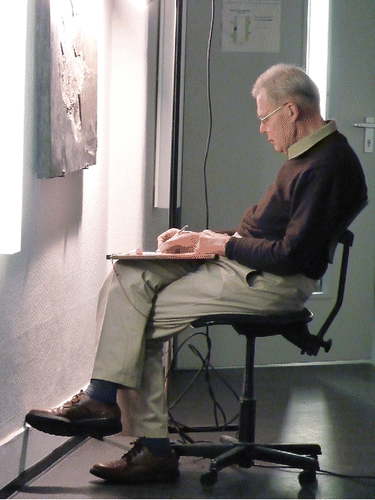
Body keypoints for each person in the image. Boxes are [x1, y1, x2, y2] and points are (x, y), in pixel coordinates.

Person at [26, 64, 367, 484]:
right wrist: (202, 239)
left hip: (270, 283)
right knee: (130, 274)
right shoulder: (308, 156)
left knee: (138, 317)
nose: (262, 129)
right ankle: (101, 398)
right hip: (247, 265)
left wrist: (223, 246)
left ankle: (146, 444)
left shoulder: (329, 165)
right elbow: (266, 234)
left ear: (291, 111)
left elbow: (290, 256)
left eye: (264, 118)